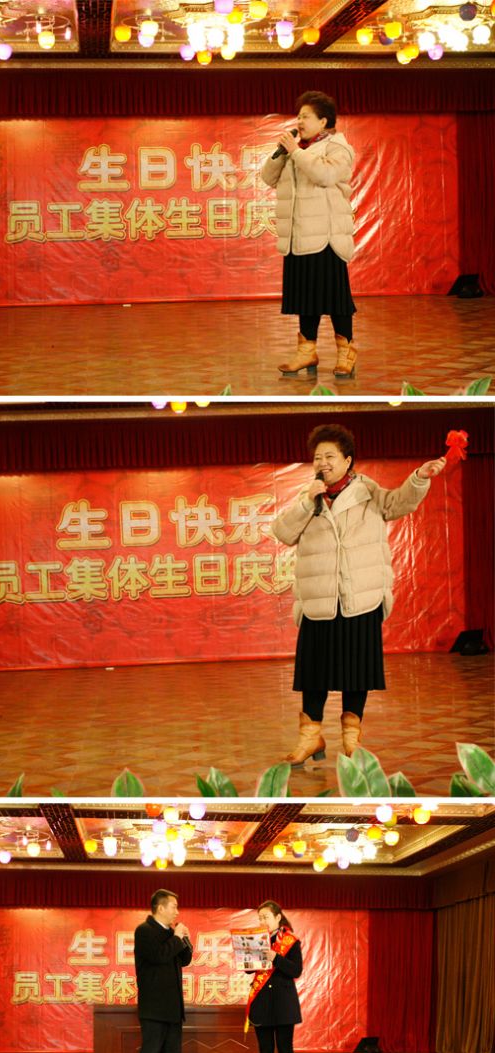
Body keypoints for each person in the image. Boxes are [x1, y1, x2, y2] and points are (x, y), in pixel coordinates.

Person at [271, 423, 447, 765]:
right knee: (314, 674)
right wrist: (307, 502)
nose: (323, 463)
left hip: (360, 596)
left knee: (357, 671)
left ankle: (351, 740)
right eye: (317, 457)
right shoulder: (309, 497)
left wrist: (419, 477)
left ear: (348, 460)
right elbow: (283, 531)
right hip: (319, 599)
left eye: (330, 456)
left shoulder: (368, 491)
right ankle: (310, 737)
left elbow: (399, 503)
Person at [261, 90, 357, 380]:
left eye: (306, 116)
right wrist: (281, 153)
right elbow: (267, 178)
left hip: (327, 237)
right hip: (298, 236)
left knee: (335, 299)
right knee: (306, 298)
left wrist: (296, 152)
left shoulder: (338, 147)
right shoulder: (295, 149)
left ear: (323, 121)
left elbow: (326, 176)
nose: (299, 122)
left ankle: (346, 353)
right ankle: (306, 352)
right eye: (298, 116)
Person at [134, 889, 199, 1053]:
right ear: (160, 908)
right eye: (173, 907)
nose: (176, 912)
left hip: (173, 1006)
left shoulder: (172, 933)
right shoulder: (144, 931)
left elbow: (185, 960)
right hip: (153, 1007)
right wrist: (176, 938)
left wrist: (185, 939)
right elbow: (159, 956)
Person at [246, 900, 303, 1053]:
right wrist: (247, 954)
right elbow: (248, 969)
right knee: (265, 1051)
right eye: (260, 917)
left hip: (283, 1004)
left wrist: (276, 958)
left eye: (266, 917)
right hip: (262, 1002)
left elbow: (296, 970)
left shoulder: (291, 941)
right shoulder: (256, 940)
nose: (262, 921)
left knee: (286, 1051)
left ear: (278, 917)